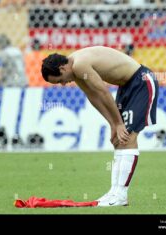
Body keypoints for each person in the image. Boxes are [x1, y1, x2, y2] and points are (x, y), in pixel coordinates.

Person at [41, 46, 159, 207]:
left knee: (128, 137)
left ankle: (121, 194)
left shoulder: (79, 65)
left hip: (141, 82)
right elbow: (93, 96)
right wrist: (112, 124)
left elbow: (103, 92)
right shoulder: (75, 71)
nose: (62, 84)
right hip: (126, 87)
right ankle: (114, 192)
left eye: (59, 80)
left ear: (62, 68)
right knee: (119, 140)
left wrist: (118, 123)